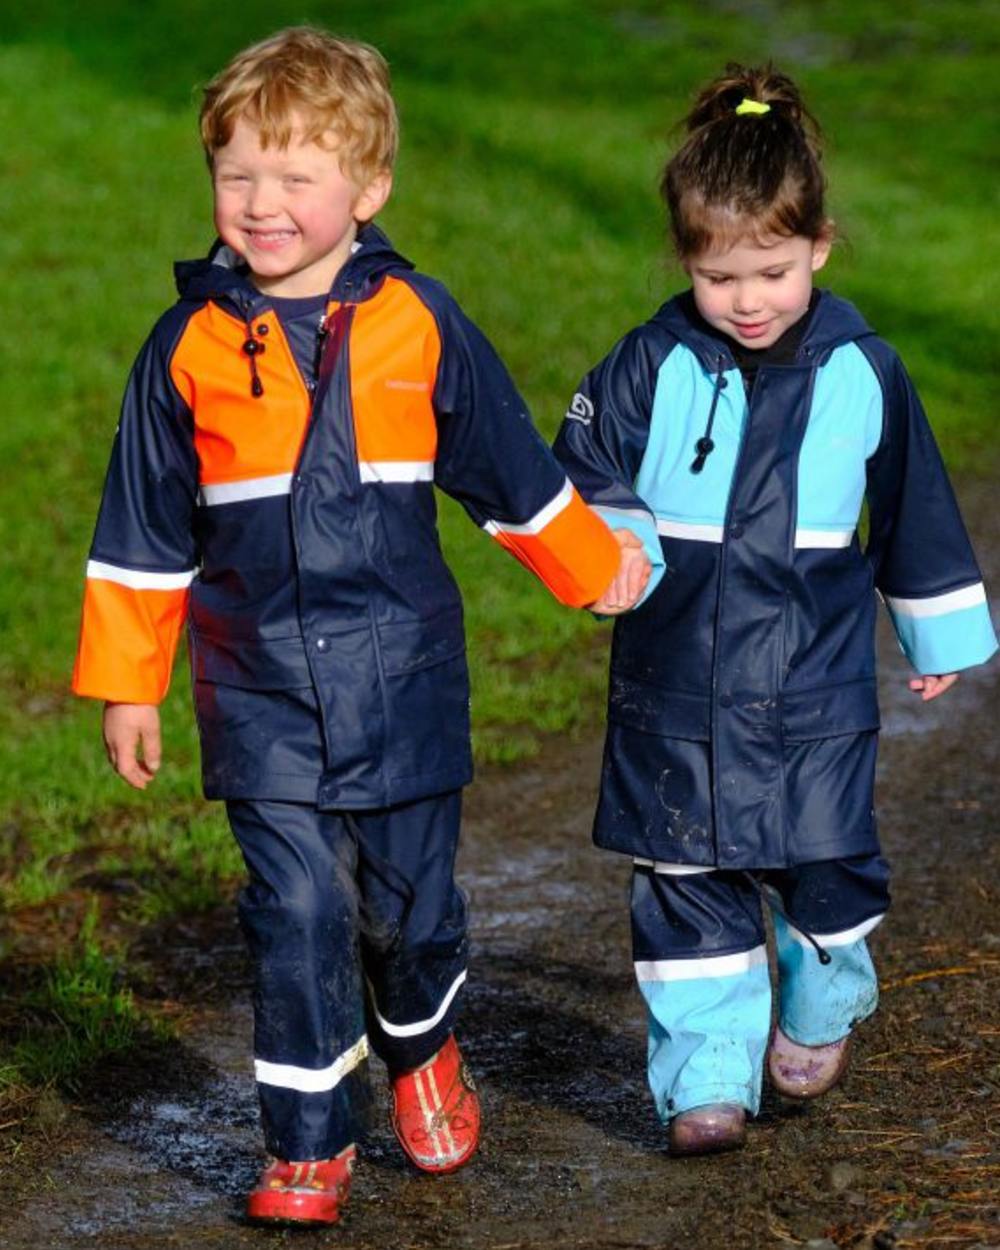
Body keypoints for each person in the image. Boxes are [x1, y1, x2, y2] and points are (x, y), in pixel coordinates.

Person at [71, 26, 650, 1224]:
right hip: (261, 687)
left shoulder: (419, 323)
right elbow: (139, 534)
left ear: (367, 187)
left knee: (405, 909)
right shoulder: (183, 353)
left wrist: (594, 569)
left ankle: (424, 1042)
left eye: (296, 177)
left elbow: (510, 470)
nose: (262, 203)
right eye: (238, 174)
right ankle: (304, 1143)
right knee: (295, 909)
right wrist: (132, 685)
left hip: (405, 680)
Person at [552, 62, 997, 1156]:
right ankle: (706, 1073)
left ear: (819, 248)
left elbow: (913, 507)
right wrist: (617, 539)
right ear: (685, 263)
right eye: (718, 277)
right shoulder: (649, 362)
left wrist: (931, 626)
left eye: (772, 270)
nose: (746, 299)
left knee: (826, 868)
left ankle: (824, 987)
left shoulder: (863, 372)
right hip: (676, 679)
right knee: (687, 875)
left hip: (812, 684)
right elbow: (580, 468)